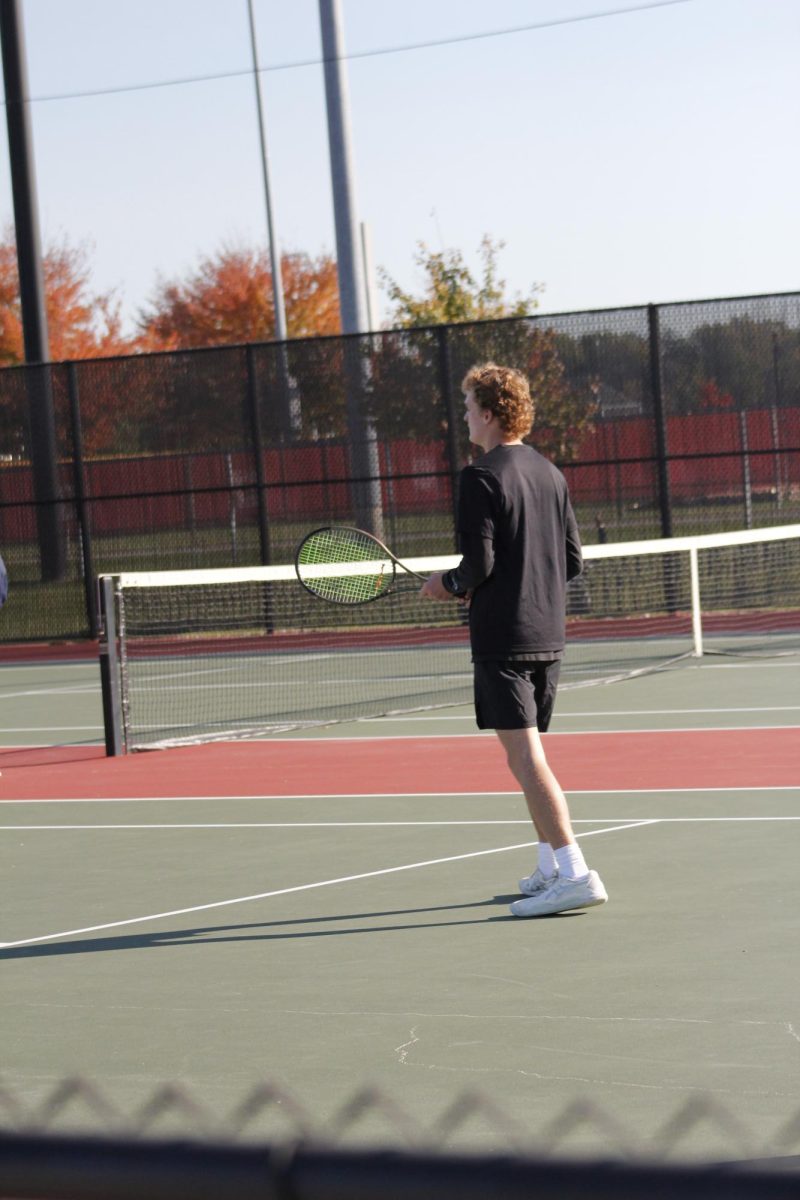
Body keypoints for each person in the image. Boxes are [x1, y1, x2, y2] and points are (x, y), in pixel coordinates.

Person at [421, 362, 607, 917]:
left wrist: (447, 585)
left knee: (526, 759)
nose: (464, 417)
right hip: (549, 636)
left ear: (489, 412)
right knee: (523, 754)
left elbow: (476, 565)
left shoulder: (479, 476)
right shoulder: (551, 473)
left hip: (504, 639)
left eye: (468, 407)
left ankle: (575, 871)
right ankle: (550, 865)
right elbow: (571, 561)